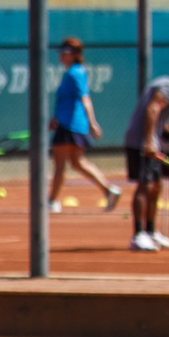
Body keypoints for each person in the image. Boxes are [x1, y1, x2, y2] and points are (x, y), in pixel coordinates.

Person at [122, 62, 169, 252]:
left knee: (156, 185)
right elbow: (152, 109)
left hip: (151, 140)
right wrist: (148, 141)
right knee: (145, 185)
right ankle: (138, 235)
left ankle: (150, 231)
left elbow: (159, 116)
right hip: (141, 142)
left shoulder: (167, 86)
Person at [46, 37, 122, 215]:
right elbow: (67, 101)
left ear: (73, 55)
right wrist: (55, 118)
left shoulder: (75, 73)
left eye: (64, 52)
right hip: (68, 124)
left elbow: (85, 98)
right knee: (77, 162)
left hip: (70, 126)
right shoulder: (72, 73)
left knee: (60, 164)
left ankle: (52, 201)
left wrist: (92, 123)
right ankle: (109, 190)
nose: (61, 56)